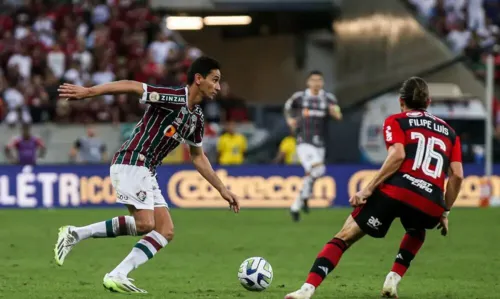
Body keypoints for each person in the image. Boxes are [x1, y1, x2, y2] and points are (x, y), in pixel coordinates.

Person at [54, 56, 240, 294]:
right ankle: (77, 234)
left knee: (165, 231)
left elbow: (198, 157)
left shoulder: (197, 118)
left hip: (147, 170)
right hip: (132, 160)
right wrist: (89, 92)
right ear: (198, 79)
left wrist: (222, 189)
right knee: (145, 224)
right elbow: (133, 86)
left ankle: (117, 273)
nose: (218, 87)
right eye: (214, 80)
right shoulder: (173, 98)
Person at [284, 77, 464, 299]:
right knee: (417, 228)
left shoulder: (396, 121)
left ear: (401, 102)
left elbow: (397, 155)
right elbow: (457, 176)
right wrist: (444, 210)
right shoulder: (450, 133)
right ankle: (393, 278)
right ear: (428, 102)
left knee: (345, 236)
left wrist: (367, 189)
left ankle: (307, 289)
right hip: (430, 201)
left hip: (397, 191)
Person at [284, 70, 342, 222]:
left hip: (320, 143)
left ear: (322, 83)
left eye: (319, 80)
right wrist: (290, 120)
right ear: (308, 82)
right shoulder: (300, 97)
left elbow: (338, 114)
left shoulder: (328, 98)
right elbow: (287, 107)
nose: (316, 83)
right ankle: (297, 204)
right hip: (304, 141)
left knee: (314, 174)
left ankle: (302, 200)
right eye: (313, 80)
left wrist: (335, 113)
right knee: (318, 169)